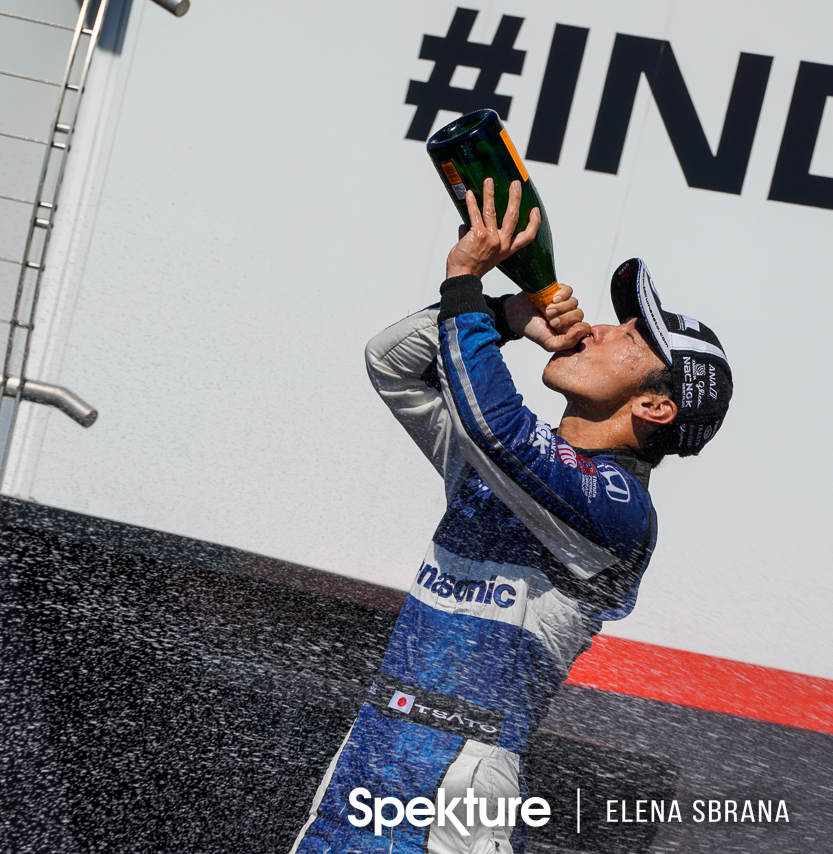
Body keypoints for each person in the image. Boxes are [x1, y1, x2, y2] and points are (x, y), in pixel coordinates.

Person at [291, 178, 732, 854]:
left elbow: (498, 429)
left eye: (631, 339)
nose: (603, 329)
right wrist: (503, 315)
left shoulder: (621, 512)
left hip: (459, 791)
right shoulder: (508, 466)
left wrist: (464, 284)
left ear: (655, 407)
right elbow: (392, 364)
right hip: (367, 760)